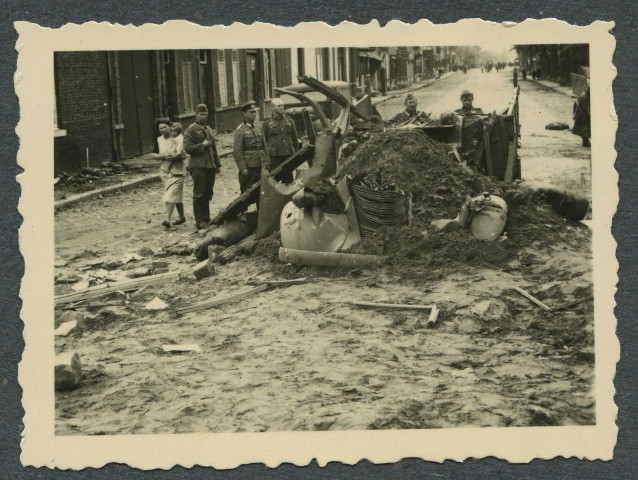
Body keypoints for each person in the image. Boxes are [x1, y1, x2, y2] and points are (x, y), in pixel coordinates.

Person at [183, 104, 221, 230]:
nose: (203, 117)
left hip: (210, 166)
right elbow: (187, 148)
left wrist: (217, 164)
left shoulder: (209, 129)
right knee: (199, 194)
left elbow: (213, 149)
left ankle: (206, 217)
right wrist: (202, 145)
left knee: (207, 193)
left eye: (205, 114)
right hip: (198, 166)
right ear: (196, 114)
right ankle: (199, 220)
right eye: (201, 114)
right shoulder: (191, 130)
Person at [151, 119, 187, 229]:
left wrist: (176, 156)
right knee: (176, 195)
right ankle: (181, 217)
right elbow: (152, 154)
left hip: (177, 170)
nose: (163, 130)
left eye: (165, 127)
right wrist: (162, 156)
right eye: (160, 128)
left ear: (170, 127)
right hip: (165, 171)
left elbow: (184, 154)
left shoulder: (177, 138)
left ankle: (167, 219)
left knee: (170, 195)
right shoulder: (159, 140)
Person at [233, 100, 269, 207]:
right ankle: (243, 212)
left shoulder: (258, 127)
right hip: (249, 166)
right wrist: (242, 167)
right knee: (246, 192)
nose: (254, 114)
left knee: (261, 191)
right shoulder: (241, 130)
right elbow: (237, 151)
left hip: (260, 164)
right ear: (245, 114)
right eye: (251, 112)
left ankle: (259, 213)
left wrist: (267, 161)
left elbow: (264, 145)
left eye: (255, 112)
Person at [262, 98, 298, 183]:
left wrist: (296, 153)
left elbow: (295, 138)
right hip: (274, 156)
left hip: (287, 153)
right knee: (273, 178)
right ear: (272, 108)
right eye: (279, 106)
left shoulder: (289, 120)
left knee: (288, 178)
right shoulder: (266, 122)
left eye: (282, 105)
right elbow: (263, 141)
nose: (281, 107)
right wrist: (266, 157)